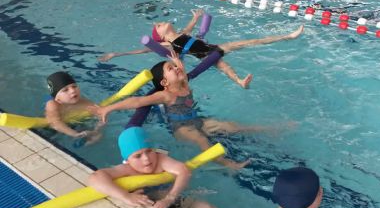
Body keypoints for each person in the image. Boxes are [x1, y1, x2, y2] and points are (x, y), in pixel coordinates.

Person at [88, 126, 255, 208]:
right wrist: (126, 196)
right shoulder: (126, 169)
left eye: (149, 151)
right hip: (152, 206)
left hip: (173, 198)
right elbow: (95, 178)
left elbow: (183, 171)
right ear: (127, 159)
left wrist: (170, 197)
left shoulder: (160, 159)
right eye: (138, 156)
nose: (146, 159)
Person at [91, 52, 264, 169]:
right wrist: (109, 108)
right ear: (164, 83)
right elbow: (137, 100)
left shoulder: (183, 84)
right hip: (182, 128)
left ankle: (264, 130)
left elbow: (181, 70)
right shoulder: (166, 95)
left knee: (232, 126)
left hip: (197, 120)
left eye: (174, 66)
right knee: (203, 142)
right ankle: (230, 165)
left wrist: (177, 63)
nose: (176, 68)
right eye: (170, 69)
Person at [98, 9, 305, 89]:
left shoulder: (179, 33)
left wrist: (195, 18)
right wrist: (117, 54)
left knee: (249, 41)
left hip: (212, 46)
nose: (161, 22)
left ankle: (287, 36)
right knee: (224, 66)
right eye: (159, 26)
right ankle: (240, 81)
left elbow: (189, 29)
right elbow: (143, 50)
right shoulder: (166, 44)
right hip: (205, 55)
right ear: (159, 36)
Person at [44, 71, 103, 144]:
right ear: (57, 98)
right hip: (52, 128)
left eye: (74, 86)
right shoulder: (52, 104)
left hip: (75, 123)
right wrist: (75, 134)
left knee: (90, 133)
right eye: (65, 90)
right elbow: (55, 123)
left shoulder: (83, 102)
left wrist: (97, 131)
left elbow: (101, 114)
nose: (72, 91)